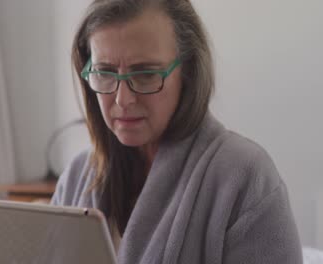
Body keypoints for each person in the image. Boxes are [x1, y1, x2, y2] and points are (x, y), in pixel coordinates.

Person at [50, 0, 303, 263]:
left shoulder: (245, 177)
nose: (122, 99)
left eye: (146, 73)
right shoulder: (77, 176)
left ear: (188, 73)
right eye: (105, 72)